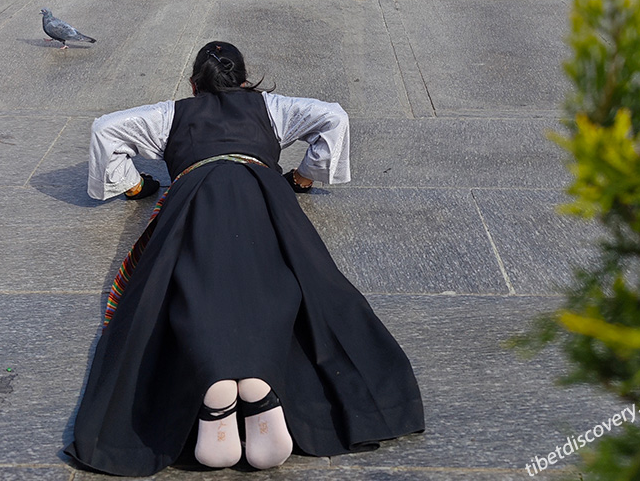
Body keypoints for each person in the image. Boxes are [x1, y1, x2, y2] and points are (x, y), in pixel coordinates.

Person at [65, 41, 425, 477]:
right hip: (262, 193)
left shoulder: (172, 114)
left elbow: (105, 129)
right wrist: (305, 176)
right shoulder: (270, 108)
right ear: (243, 78)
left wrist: (132, 185)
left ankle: (214, 385)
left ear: (194, 84)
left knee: (192, 283)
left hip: (194, 196)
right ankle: (263, 383)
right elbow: (334, 116)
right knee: (280, 279)